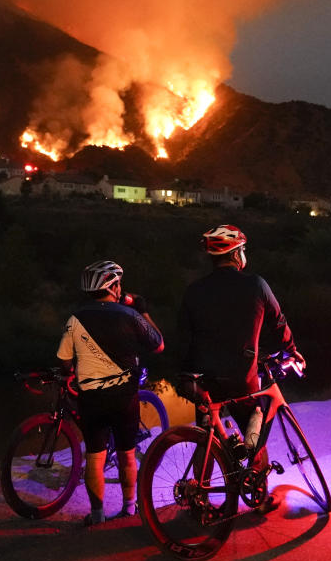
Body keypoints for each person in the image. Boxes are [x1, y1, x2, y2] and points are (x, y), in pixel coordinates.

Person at [177, 224, 306, 511]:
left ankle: (200, 498)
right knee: (255, 422)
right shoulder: (256, 284)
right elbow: (279, 322)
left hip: (205, 379)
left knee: (205, 437)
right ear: (237, 255)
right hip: (242, 377)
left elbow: (184, 338)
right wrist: (292, 351)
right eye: (243, 250)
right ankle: (259, 496)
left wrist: (186, 376)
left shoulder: (194, 291)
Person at [56, 260, 164, 525]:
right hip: (125, 398)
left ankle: (97, 516)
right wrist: (143, 311)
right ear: (113, 286)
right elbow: (159, 345)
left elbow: (64, 361)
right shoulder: (130, 316)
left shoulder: (75, 319)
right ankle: (129, 509)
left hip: (91, 398)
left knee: (95, 455)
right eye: (118, 284)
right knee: (127, 454)